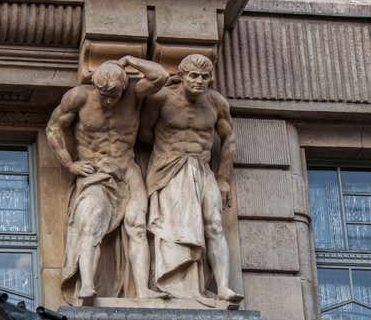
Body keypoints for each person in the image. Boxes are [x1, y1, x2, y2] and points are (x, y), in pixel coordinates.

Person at [46, 56, 169, 302]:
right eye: (104, 95)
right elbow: (53, 128)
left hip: (126, 167)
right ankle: (88, 286)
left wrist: (129, 60)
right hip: (95, 169)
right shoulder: (79, 97)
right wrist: (70, 164)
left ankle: (143, 289)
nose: (109, 100)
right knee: (92, 222)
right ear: (95, 86)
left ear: (123, 88)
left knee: (137, 225)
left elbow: (161, 77)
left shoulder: (134, 94)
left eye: (114, 95)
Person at [139, 54, 243, 303]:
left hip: (203, 168)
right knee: (174, 227)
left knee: (215, 224)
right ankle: (175, 282)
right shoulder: (162, 98)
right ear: (182, 76)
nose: (199, 81)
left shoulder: (216, 103)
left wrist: (224, 178)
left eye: (205, 77)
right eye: (194, 76)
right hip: (170, 168)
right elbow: (143, 132)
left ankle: (223, 287)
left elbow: (229, 139)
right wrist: (169, 152)